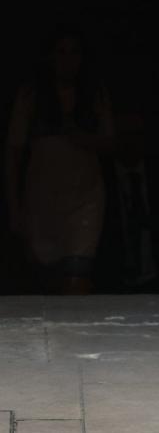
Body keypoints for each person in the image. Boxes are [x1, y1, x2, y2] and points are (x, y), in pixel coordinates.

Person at [5, 28, 114, 294]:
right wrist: (14, 207)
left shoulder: (94, 93)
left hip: (85, 198)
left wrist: (81, 137)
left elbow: (110, 142)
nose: (68, 59)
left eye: (74, 52)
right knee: (48, 281)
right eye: (61, 52)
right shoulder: (31, 96)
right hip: (43, 202)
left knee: (77, 277)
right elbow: (14, 154)